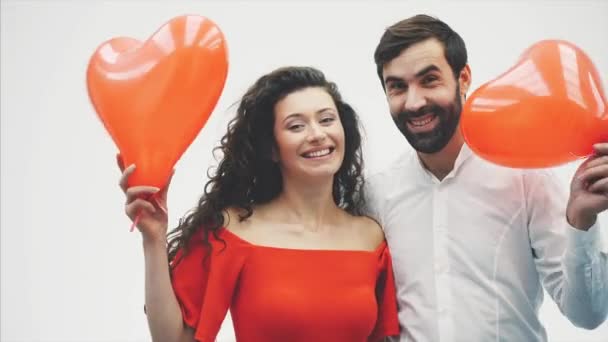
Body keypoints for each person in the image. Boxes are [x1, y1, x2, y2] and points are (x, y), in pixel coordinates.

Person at [365, 14, 608, 341]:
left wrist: (581, 220)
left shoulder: (525, 177)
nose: (414, 102)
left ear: (463, 78)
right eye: (397, 87)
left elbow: (588, 314)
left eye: (429, 80)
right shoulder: (377, 194)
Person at [117, 66, 400, 342]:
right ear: (271, 148)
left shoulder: (370, 236)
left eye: (326, 120)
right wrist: (153, 240)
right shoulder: (232, 231)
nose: (316, 134)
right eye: (296, 126)